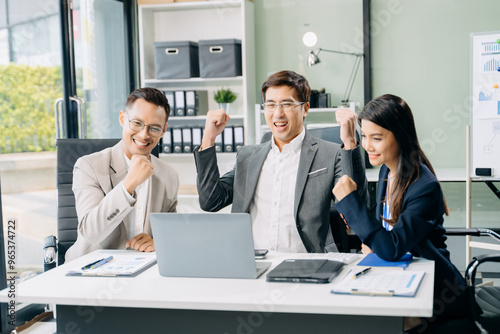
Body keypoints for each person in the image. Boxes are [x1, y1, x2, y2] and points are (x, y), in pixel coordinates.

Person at [194, 70, 367, 253]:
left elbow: (356, 209)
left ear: (305, 108)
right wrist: (208, 139)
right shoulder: (248, 156)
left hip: (308, 265)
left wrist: (349, 143)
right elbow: (211, 201)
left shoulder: (331, 153)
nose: (278, 113)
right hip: (253, 264)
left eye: (286, 104)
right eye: (270, 105)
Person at [332, 94, 467, 327]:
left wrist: (370, 235)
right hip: (397, 275)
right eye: (364, 136)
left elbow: (392, 248)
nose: (368, 146)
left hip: (436, 292)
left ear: (400, 136)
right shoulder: (387, 171)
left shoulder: (424, 187)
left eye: (376, 138)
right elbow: (380, 232)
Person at [65, 87, 179, 262]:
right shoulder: (88, 166)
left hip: (144, 267)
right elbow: (90, 232)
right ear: (122, 119)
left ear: (164, 130)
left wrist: (159, 242)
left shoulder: (168, 174)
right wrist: (128, 185)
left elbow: (172, 231)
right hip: (91, 268)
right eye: (137, 123)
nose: (144, 134)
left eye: (154, 128)